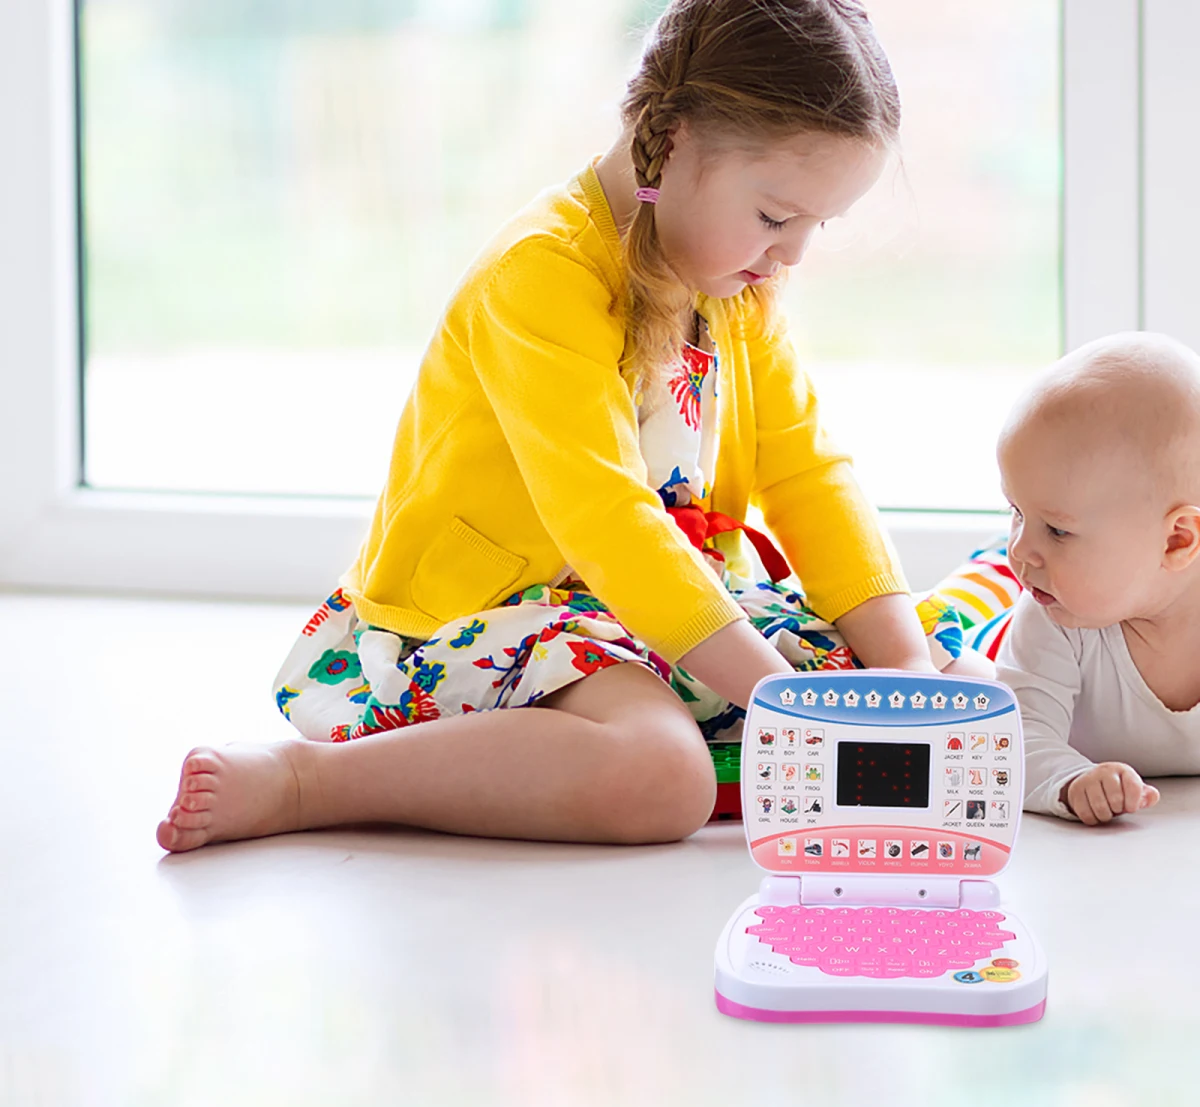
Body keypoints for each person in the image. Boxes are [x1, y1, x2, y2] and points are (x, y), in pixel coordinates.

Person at [157, 0, 990, 855]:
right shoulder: (541, 274)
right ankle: (309, 781)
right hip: (504, 614)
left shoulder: (737, 282)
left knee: (957, 677)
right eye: (777, 218)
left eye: (819, 225)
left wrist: (906, 668)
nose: (794, 255)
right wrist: (786, 703)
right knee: (661, 776)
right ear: (672, 141)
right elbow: (607, 520)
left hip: (665, 605)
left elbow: (809, 472)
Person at [994, 332, 1200, 824]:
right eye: (1016, 512)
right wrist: (1069, 780)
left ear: (1176, 541)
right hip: (996, 640)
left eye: (1057, 530)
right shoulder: (1052, 614)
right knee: (957, 661)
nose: (1020, 548)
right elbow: (1012, 738)